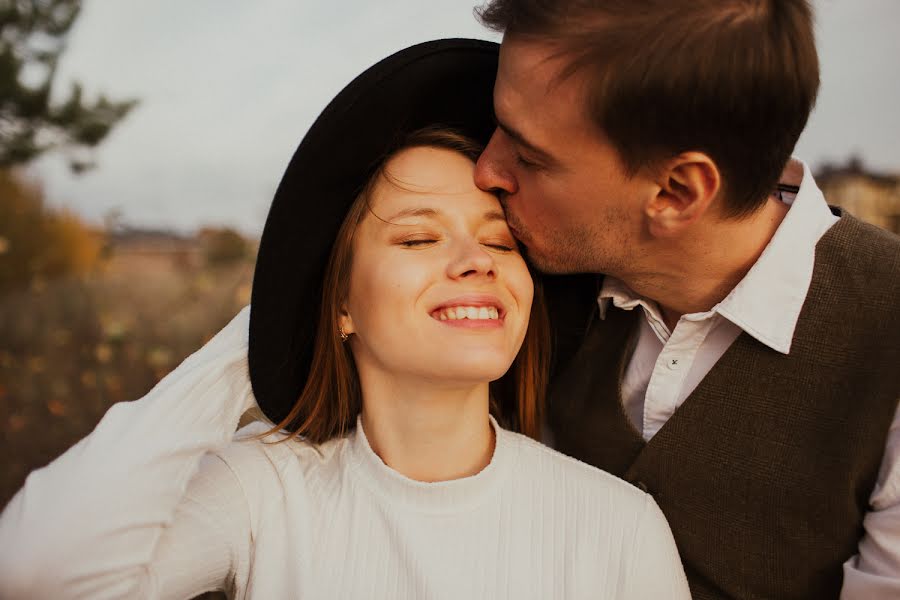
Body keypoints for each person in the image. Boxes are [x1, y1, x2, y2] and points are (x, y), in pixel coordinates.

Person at [0, 40, 690, 599]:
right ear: (341, 306)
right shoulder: (264, 492)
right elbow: (39, 572)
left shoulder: (618, 530)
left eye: (500, 240)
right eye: (419, 238)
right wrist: (265, 326)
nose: (474, 260)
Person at [471, 1, 900, 599]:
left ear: (676, 192)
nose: (487, 170)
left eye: (530, 156)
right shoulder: (515, 282)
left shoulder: (888, 327)